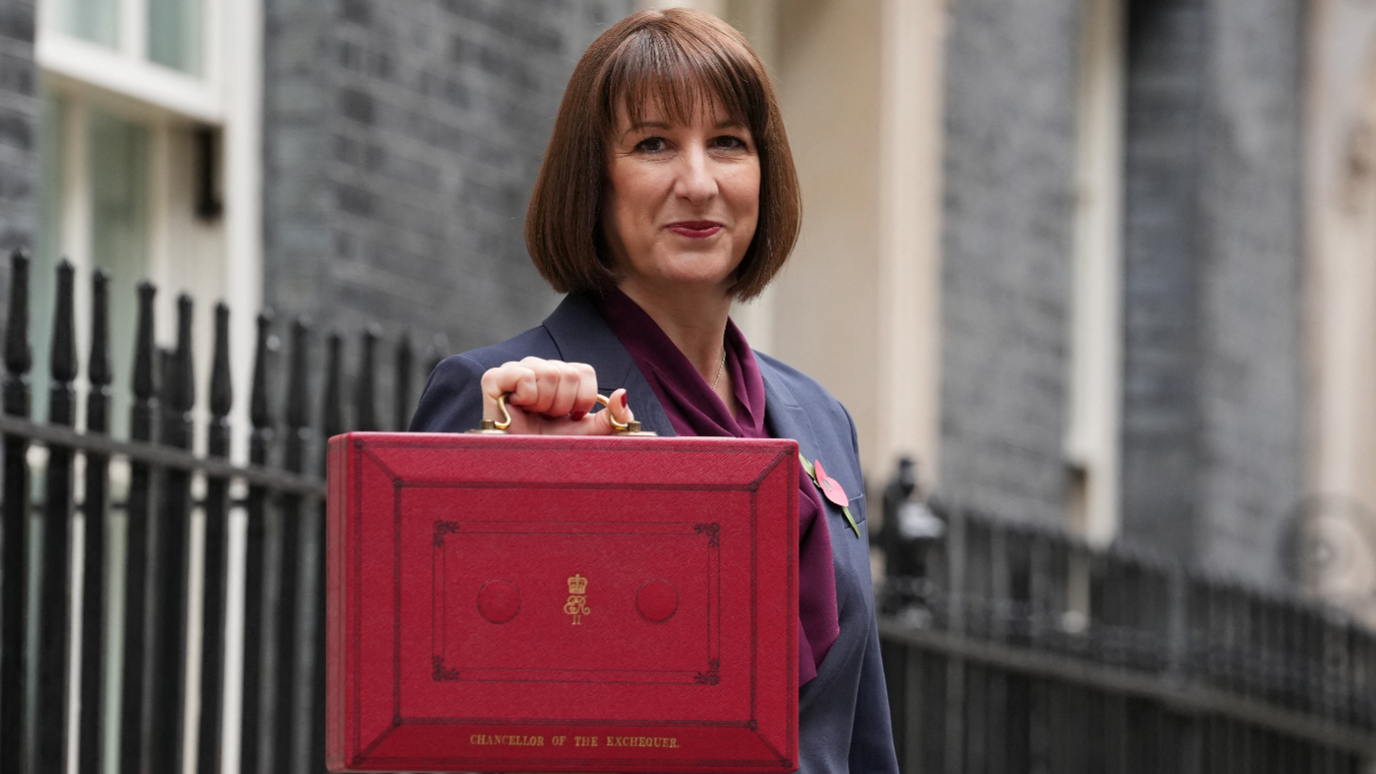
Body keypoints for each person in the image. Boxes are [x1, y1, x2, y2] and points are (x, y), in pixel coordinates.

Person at [410, 8, 899, 773]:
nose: (698, 183)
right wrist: (515, 484)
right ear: (593, 183)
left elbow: (860, 736)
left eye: (728, 143)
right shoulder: (501, 401)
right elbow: (436, 724)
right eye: (653, 144)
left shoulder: (821, 420)